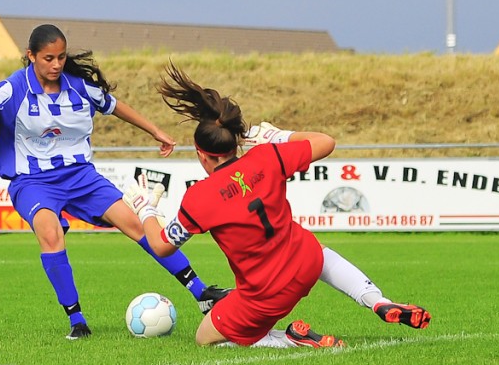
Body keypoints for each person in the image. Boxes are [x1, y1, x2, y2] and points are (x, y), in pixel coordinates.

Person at [122, 62, 431, 348]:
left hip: (267, 294)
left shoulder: (200, 197)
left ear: (202, 155)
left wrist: (144, 208)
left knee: (205, 337)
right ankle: (375, 299)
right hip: (307, 262)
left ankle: (290, 338)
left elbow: (162, 246)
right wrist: (277, 136)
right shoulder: (267, 156)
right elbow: (326, 141)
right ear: (235, 142)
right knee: (317, 251)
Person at [0, 25, 230, 340]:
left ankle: (201, 293)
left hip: (81, 177)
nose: (56, 64)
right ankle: (77, 320)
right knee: (50, 233)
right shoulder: (13, 88)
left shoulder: (79, 87)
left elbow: (116, 107)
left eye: (61, 57)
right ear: (30, 56)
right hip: (32, 182)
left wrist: (155, 130)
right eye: (48, 58)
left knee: (138, 224)